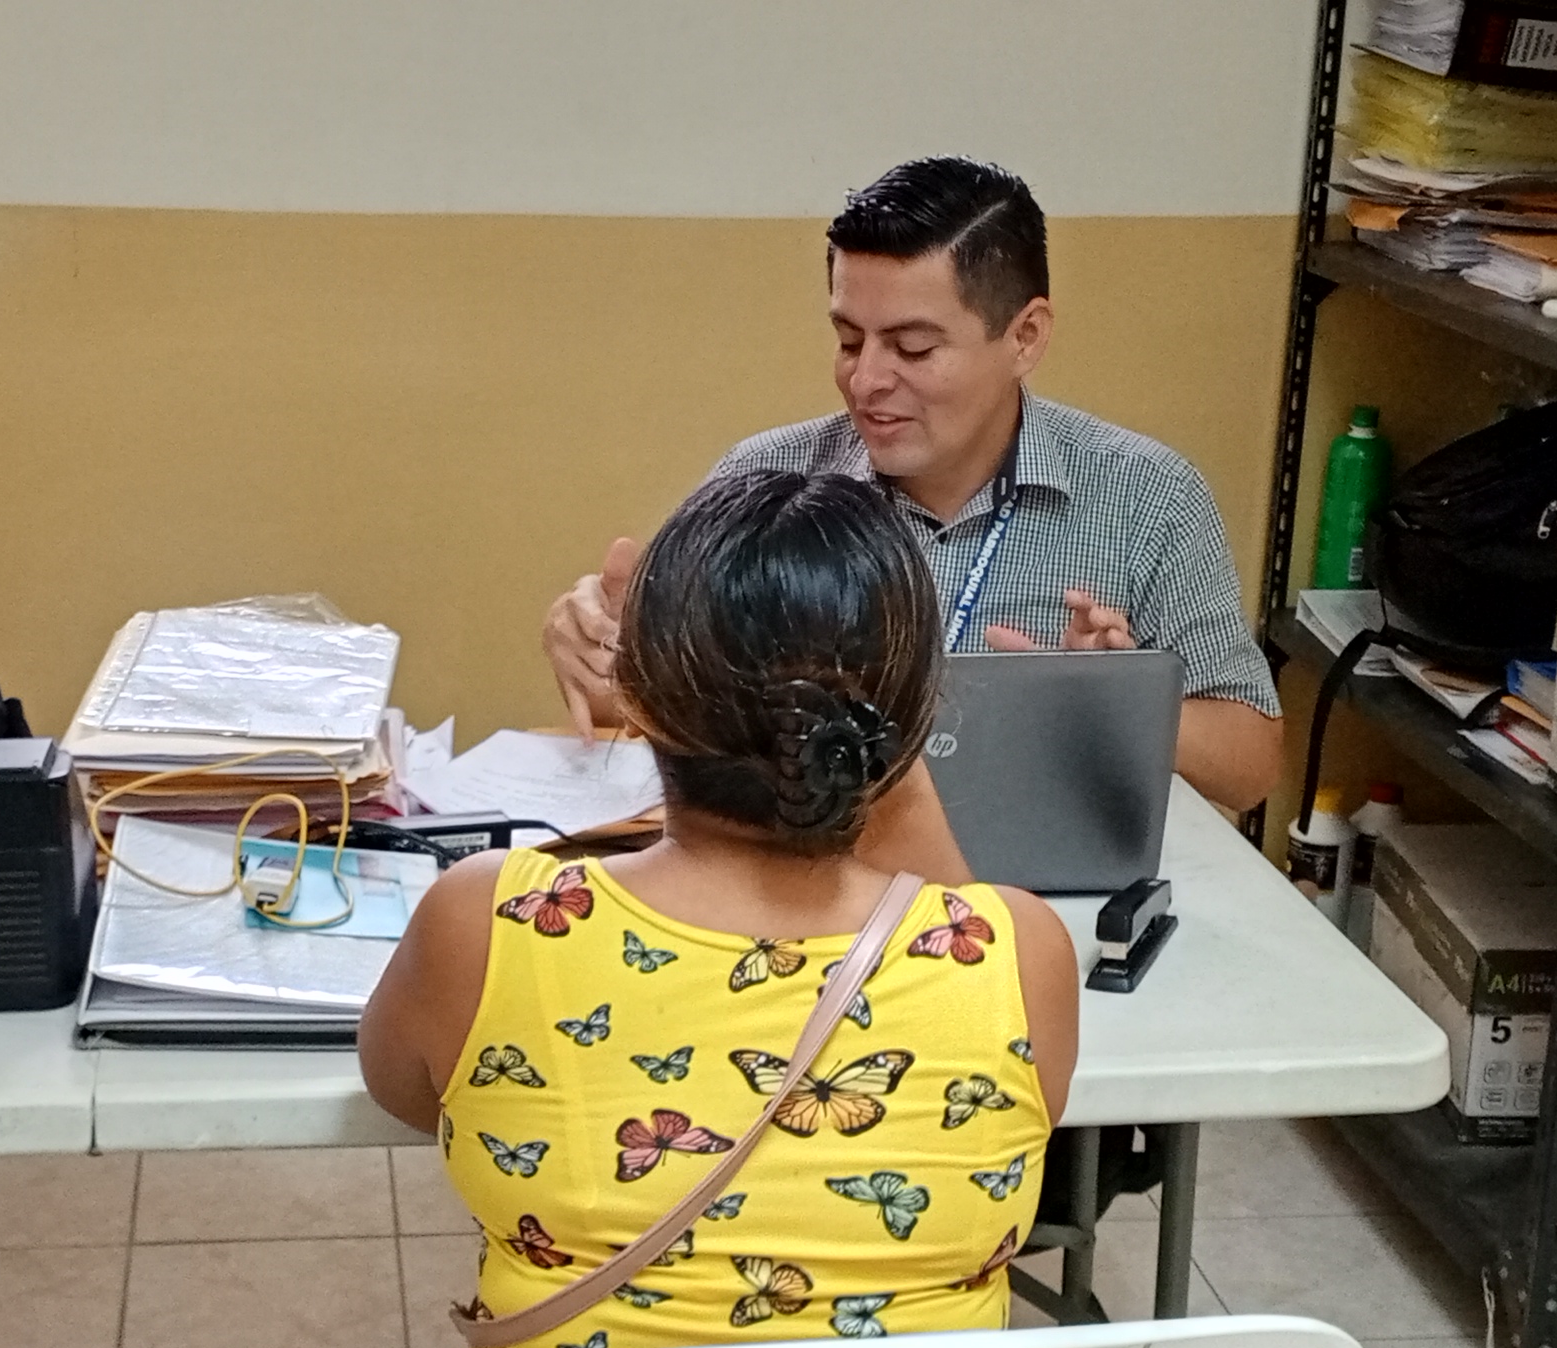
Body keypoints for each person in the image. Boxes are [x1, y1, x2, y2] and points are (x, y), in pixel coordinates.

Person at [354, 471, 1086, 1348]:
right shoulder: (1015, 956)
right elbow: (958, 944)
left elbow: (403, 1089)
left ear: (638, 696)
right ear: (909, 726)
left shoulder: (488, 920)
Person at [544, 156, 1288, 864]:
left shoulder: (1145, 495)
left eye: (913, 348)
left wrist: (1118, 703)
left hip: (1043, 898)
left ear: (1025, 337)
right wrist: (597, 652)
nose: (866, 380)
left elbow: (1251, 764)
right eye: (848, 340)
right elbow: (641, 713)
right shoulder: (764, 481)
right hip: (801, 892)